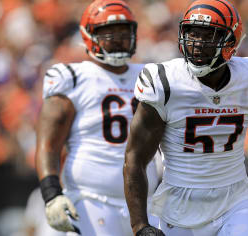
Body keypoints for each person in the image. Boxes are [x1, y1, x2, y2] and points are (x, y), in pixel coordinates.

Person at [123, 0, 248, 235]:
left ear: (230, 42)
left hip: (235, 201)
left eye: (207, 36)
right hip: (179, 206)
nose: (197, 43)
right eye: (192, 33)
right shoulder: (165, 83)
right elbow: (134, 158)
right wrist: (139, 226)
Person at [35, 0, 161, 235]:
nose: (117, 38)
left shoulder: (150, 75)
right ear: (88, 35)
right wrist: (51, 193)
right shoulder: (72, 77)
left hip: (146, 202)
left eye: (124, 32)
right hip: (92, 201)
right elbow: (48, 144)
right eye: (108, 32)